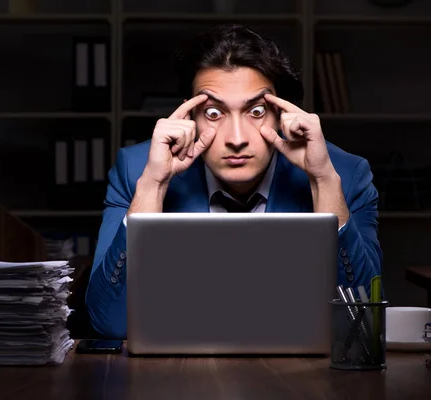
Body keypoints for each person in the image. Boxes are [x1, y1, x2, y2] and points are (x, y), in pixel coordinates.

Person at [84, 24, 382, 339]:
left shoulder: (345, 176)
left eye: (256, 111)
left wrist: (323, 183)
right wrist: (153, 186)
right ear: (189, 118)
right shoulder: (137, 170)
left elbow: (361, 326)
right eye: (213, 113)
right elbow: (110, 324)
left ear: (283, 116)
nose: (236, 139)